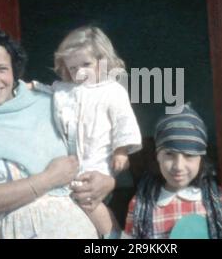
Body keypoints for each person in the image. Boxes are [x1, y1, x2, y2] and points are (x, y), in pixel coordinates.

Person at [0, 29, 115, 239]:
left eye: (2, 68)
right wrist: (47, 179)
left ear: (14, 72)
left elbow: (92, 152)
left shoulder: (50, 104)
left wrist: (106, 181)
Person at [31, 26, 142, 238]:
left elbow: (124, 121)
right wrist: (31, 87)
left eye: (86, 64)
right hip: (70, 158)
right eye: (73, 68)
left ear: (103, 60)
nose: (80, 72)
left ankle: (115, 235)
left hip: (97, 158)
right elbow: (47, 91)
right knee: (73, 198)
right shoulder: (64, 89)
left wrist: (121, 150)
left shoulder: (112, 90)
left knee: (87, 198)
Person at [122, 104, 222, 239]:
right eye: (169, 154)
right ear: (158, 156)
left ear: (201, 159)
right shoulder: (140, 204)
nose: (178, 166)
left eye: (189, 155)